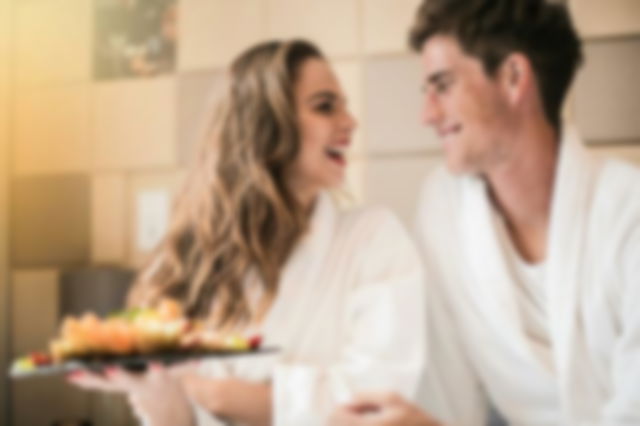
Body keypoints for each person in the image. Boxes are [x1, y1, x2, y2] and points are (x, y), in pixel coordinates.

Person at [69, 39, 426, 426]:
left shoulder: (372, 239)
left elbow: (377, 405)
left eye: (343, 105)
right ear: (267, 126)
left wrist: (215, 393)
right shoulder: (190, 260)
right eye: (325, 106)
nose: (350, 122)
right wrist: (162, 396)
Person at [332, 0, 640, 425]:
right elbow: (446, 395)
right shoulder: (444, 209)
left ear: (514, 78)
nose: (427, 115)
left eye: (443, 85)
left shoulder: (629, 216)